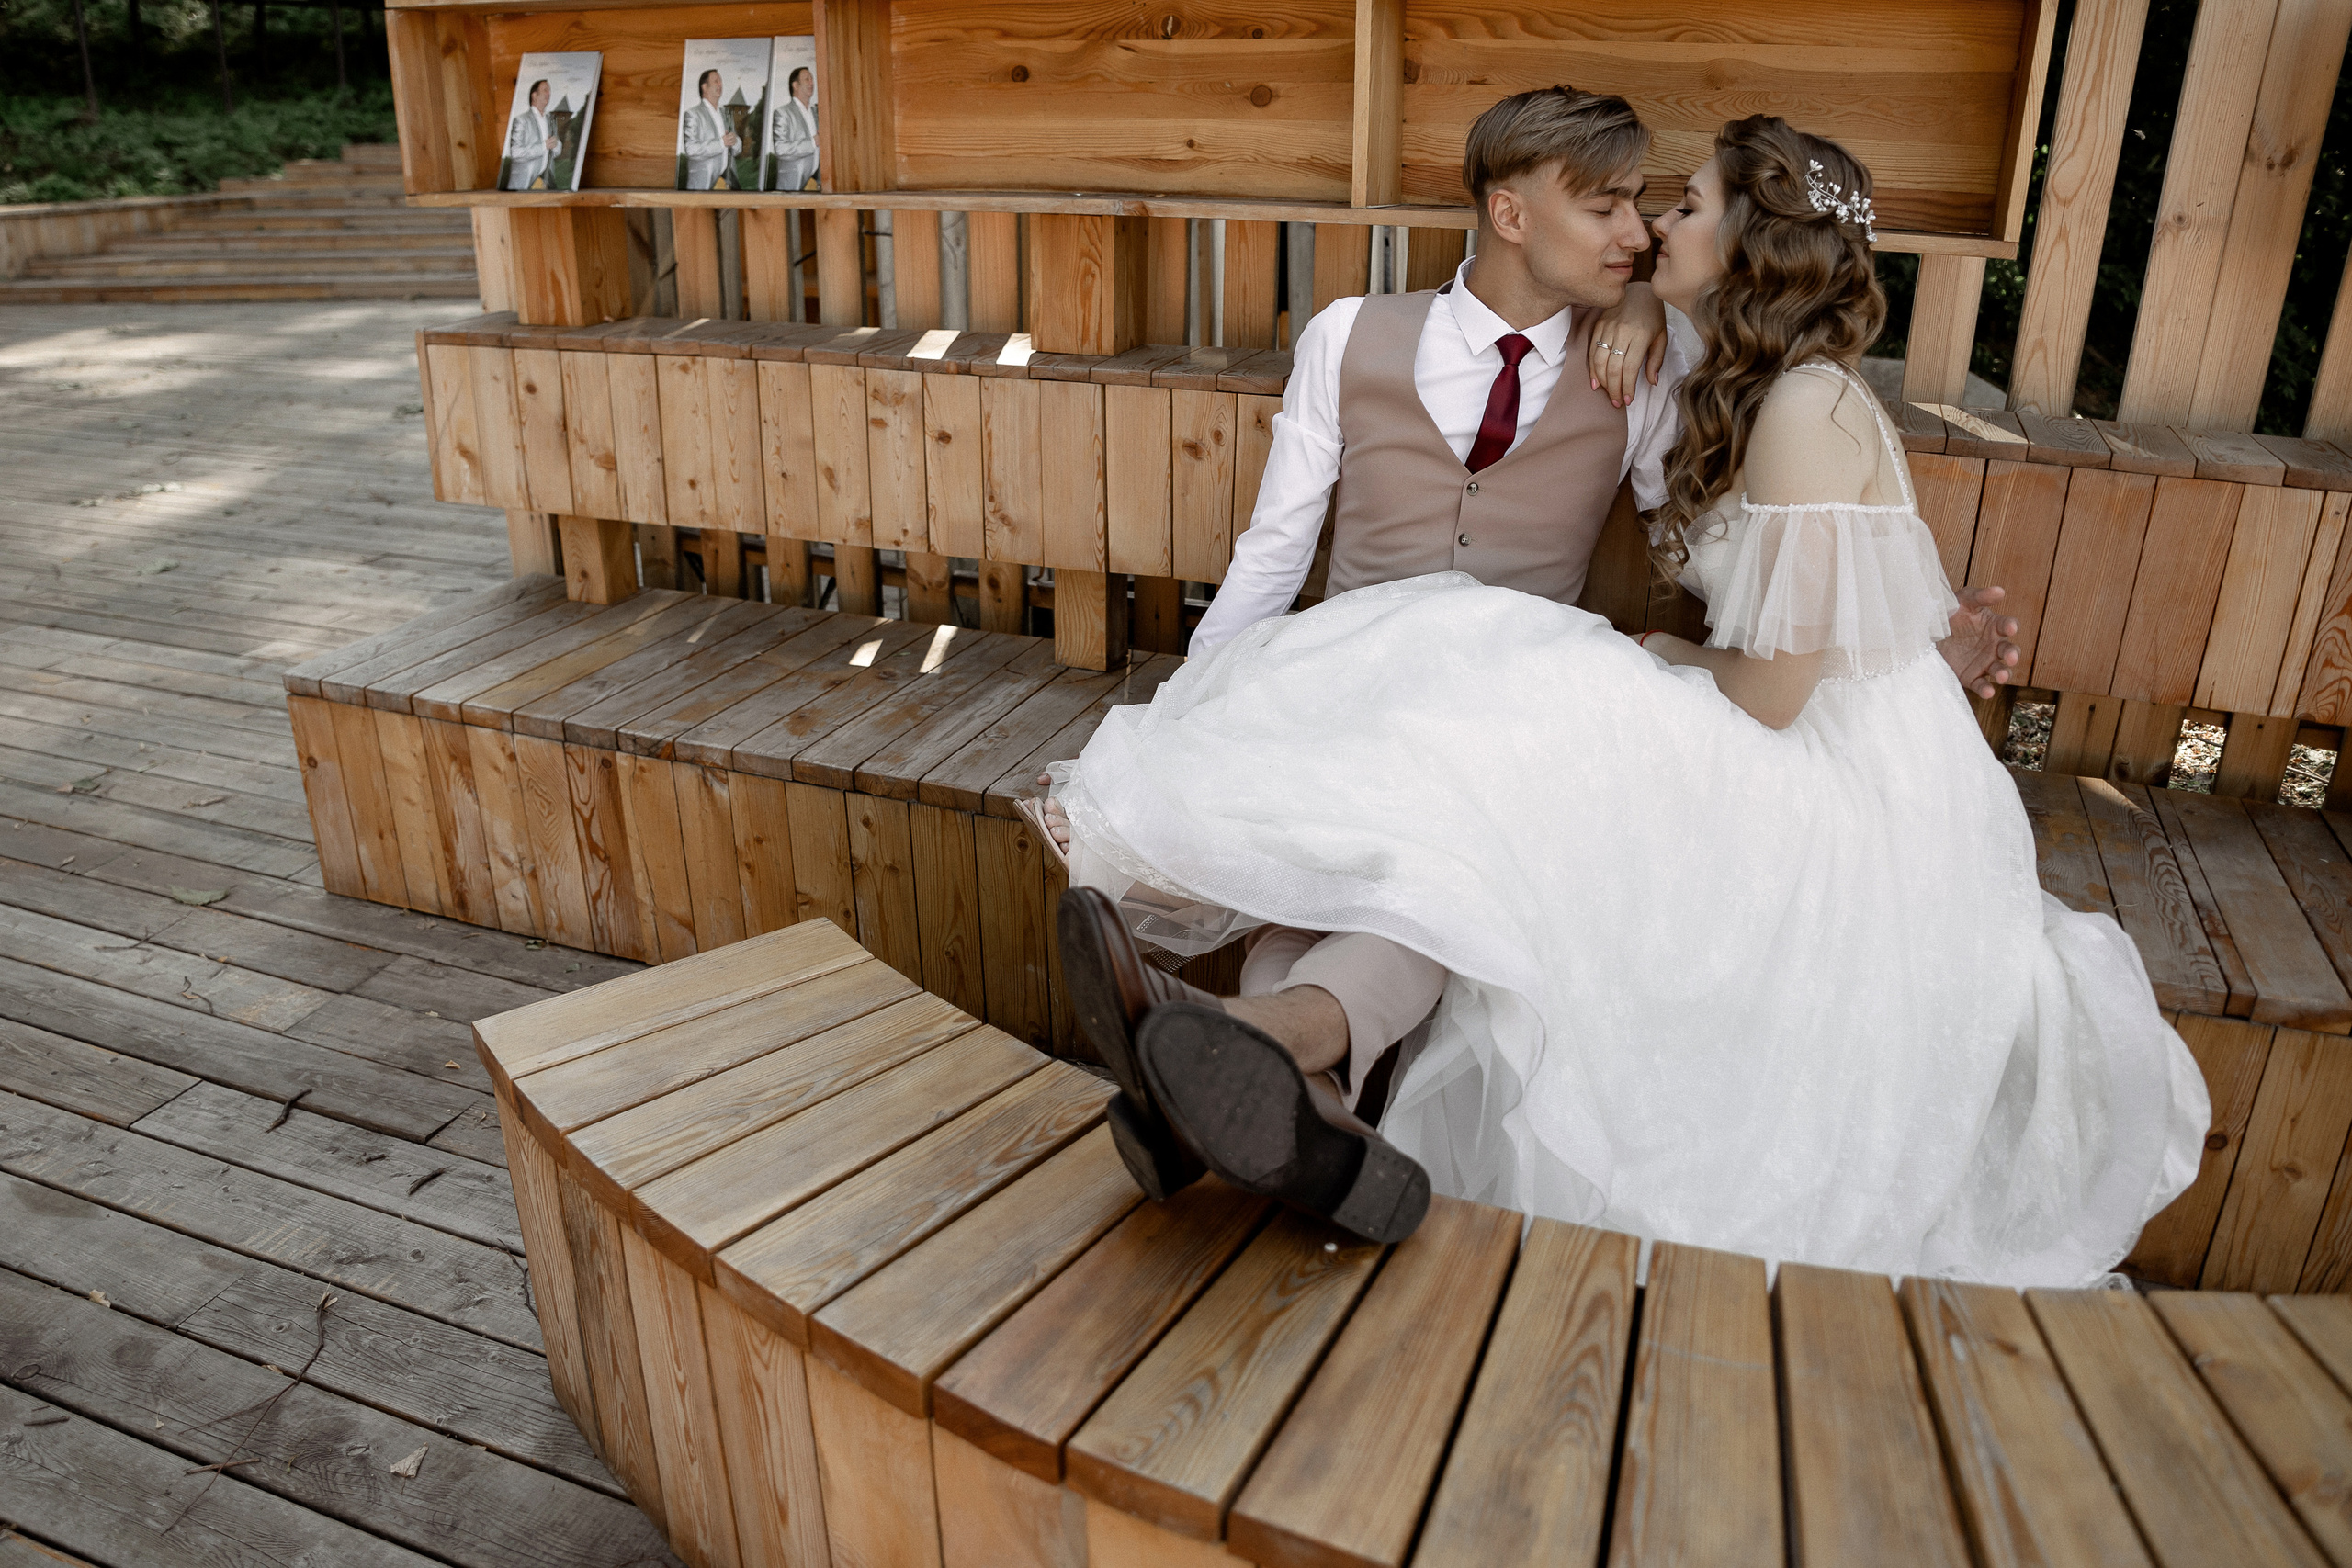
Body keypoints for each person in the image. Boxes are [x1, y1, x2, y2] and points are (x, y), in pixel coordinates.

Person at [1042, 116, 2207, 1287]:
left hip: (1671, 712)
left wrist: (1799, 629)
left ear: (1748, 248)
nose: (1644, 228)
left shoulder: (1690, 378)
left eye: (1670, 209)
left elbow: (1782, 614)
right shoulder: (1381, 338)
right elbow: (1277, 542)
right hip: (1375, 667)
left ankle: (1262, 1049)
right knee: (1388, 832)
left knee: (1480, 819)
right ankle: (1292, 1102)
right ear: (1510, 212)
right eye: (1612, 208)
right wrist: (1197, 708)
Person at [681, 68, 741, 191]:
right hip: (704, 185)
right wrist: (721, 143)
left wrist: (735, 141)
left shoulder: (727, 114)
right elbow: (691, 150)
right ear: (705, 87)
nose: (720, 85)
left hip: (730, 184)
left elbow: (737, 150)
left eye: (721, 82)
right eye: (716, 81)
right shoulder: (693, 114)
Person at [768, 65, 818, 192]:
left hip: (819, 188)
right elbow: (781, 149)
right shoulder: (783, 113)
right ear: (795, 85)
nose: (812, 82)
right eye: (807, 79)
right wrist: (813, 143)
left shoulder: (818, 112)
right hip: (792, 188)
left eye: (812, 79)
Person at [505, 79, 559, 191]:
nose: (549, 93)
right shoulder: (521, 121)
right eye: (545, 90)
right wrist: (543, 146)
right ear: (534, 96)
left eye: (549, 91)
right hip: (524, 186)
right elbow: (515, 153)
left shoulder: (551, 120)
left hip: (548, 185)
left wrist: (556, 145)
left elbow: (556, 151)